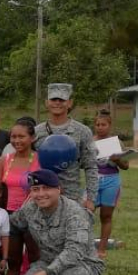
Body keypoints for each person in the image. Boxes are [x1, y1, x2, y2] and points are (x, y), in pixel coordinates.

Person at [6, 169, 104, 275]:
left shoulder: (75, 213)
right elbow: (12, 223)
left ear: (58, 189)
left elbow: (74, 252)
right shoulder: (30, 209)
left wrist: (47, 274)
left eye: (47, 188)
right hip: (47, 263)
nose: (41, 194)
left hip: (83, 266)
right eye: (36, 189)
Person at [35, 83, 98, 213]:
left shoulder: (82, 131)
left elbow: (91, 166)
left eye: (62, 100)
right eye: (53, 99)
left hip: (72, 197)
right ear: (47, 103)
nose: (57, 103)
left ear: (69, 103)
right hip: (43, 196)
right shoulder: (37, 132)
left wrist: (91, 199)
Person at [93, 110, 130, 258]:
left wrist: (117, 160)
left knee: (106, 216)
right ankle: (83, 246)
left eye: (103, 124)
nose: (100, 127)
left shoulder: (117, 143)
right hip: (94, 180)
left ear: (110, 125)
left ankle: (101, 249)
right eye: (97, 124)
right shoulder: (90, 141)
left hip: (111, 181)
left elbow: (125, 166)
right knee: (86, 213)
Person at [0, 120, 39, 214]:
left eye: (21, 137)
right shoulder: (3, 161)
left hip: (33, 213)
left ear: (32, 138)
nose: (17, 141)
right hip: (6, 214)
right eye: (13, 137)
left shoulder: (41, 160)